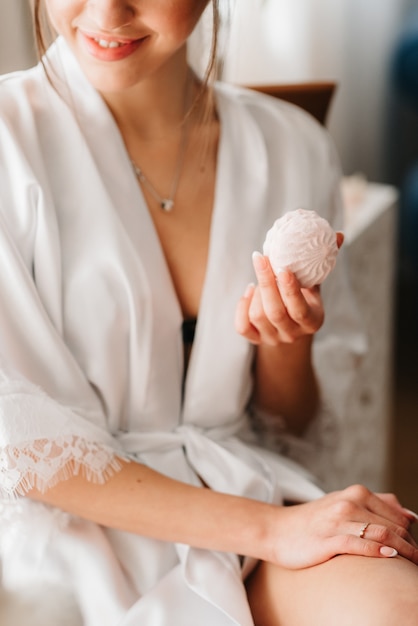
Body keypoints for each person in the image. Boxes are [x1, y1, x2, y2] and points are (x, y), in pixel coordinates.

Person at [0, 1, 417, 625]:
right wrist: (273, 531)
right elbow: (24, 445)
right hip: (71, 543)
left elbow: (293, 427)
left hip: (249, 498)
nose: (108, 10)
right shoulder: (9, 141)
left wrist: (287, 343)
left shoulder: (293, 145)